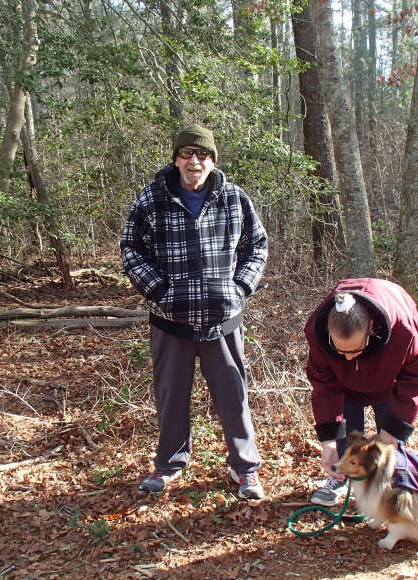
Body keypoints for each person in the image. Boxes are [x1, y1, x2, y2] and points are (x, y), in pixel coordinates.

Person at [121, 124, 268, 499]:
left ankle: (245, 469)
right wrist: (160, 292)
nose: (194, 161)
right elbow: (131, 249)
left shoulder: (234, 198)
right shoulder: (151, 199)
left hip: (223, 320)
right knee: (171, 396)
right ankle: (169, 464)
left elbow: (257, 246)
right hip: (171, 322)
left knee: (233, 396)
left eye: (202, 155)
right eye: (187, 153)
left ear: (212, 161)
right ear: (176, 158)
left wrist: (239, 289)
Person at [303, 277, 418, 506]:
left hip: (388, 383)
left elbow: (416, 376)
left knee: (389, 444)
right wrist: (329, 442)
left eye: (355, 349)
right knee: (346, 442)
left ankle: (394, 484)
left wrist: (393, 430)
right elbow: (324, 386)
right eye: (340, 350)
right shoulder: (317, 333)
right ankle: (341, 480)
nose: (348, 356)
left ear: (371, 327)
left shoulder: (403, 330)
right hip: (346, 387)